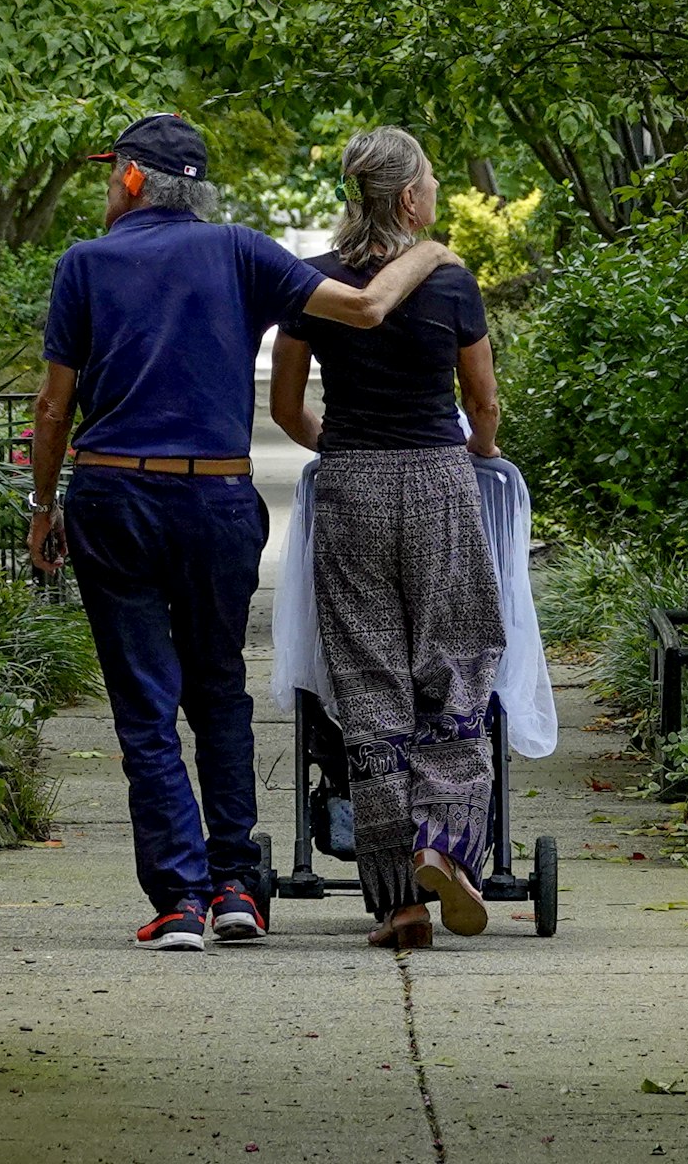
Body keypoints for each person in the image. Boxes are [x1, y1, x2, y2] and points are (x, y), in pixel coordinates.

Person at [27, 111, 457, 953]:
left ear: (136, 181)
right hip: (217, 504)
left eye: (111, 173)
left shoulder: (84, 265)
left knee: (146, 707)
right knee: (218, 691)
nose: (107, 187)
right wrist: (430, 253)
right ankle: (235, 889)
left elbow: (51, 407)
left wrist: (45, 507)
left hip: (115, 498)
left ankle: (180, 898)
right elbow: (367, 309)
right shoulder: (241, 251)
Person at [269, 126, 505, 950]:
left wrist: (335, 446)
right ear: (410, 199)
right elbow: (482, 406)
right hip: (439, 479)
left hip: (353, 483)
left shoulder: (319, 286)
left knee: (370, 686)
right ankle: (448, 843)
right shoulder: (450, 283)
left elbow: (287, 409)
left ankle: (400, 903)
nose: (435, 192)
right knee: (458, 657)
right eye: (432, 182)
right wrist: (478, 453)